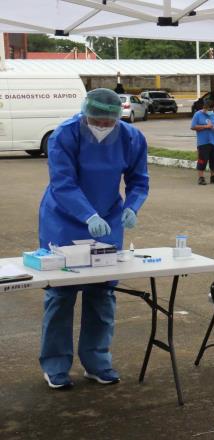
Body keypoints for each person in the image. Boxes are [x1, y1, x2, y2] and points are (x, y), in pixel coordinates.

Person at [37, 88, 149, 389]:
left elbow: (139, 180)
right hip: (64, 219)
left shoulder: (131, 137)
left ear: (118, 118)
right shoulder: (65, 134)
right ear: (85, 114)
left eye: (108, 121)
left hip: (109, 218)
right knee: (61, 293)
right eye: (96, 120)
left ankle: (97, 360)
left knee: (102, 292)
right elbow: (63, 183)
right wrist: (87, 215)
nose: (102, 126)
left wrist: (132, 207)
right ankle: (55, 364)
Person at [190, 98, 214, 185]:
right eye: (209, 109)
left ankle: (213, 177)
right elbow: (193, 127)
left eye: (212, 109)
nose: (210, 111)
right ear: (204, 107)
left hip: (213, 141)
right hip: (203, 142)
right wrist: (205, 127)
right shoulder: (197, 114)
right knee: (202, 160)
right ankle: (201, 178)